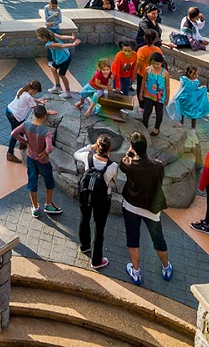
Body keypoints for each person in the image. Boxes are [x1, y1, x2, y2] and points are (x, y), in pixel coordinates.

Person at [119, 132, 172, 286]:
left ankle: (135, 272)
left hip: (131, 206)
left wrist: (129, 153)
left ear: (133, 147)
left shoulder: (128, 164)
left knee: (133, 239)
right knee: (158, 239)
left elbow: (123, 163)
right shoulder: (157, 165)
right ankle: (166, 267)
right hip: (152, 209)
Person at [74, 135, 119, 270]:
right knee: (99, 228)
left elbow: (76, 154)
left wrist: (90, 147)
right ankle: (96, 260)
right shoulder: (113, 166)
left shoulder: (88, 157)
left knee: (84, 218)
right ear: (109, 149)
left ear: (97, 146)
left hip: (86, 194)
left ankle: (84, 246)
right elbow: (113, 180)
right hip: (102, 199)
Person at [12, 105, 63, 218]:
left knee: (32, 181)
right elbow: (49, 148)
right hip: (43, 161)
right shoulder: (46, 132)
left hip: (31, 157)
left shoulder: (26, 125)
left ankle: (35, 207)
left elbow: (14, 133)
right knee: (49, 182)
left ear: (34, 115)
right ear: (44, 116)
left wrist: (25, 141)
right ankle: (48, 205)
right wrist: (45, 152)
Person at [5, 81, 45, 161]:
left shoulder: (22, 90)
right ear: (35, 90)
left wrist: (39, 101)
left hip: (9, 111)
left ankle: (22, 144)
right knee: (15, 133)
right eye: (36, 92)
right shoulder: (28, 97)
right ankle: (10, 153)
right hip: (15, 116)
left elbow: (30, 100)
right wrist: (47, 112)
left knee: (21, 127)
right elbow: (36, 109)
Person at [38, 27, 79, 95]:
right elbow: (61, 37)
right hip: (59, 59)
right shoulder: (51, 34)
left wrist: (73, 44)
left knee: (62, 75)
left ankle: (68, 92)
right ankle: (58, 87)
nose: (38, 38)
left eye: (38, 36)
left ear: (43, 37)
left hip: (64, 59)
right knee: (53, 69)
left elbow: (62, 46)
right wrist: (71, 37)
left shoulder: (49, 44)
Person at [139, 54, 168, 135]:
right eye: (153, 63)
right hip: (148, 94)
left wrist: (167, 98)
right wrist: (141, 92)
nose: (155, 65)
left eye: (158, 64)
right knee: (147, 111)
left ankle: (156, 128)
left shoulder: (165, 73)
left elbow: (167, 86)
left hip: (160, 97)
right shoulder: (147, 70)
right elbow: (144, 81)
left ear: (161, 63)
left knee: (159, 112)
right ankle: (145, 124)